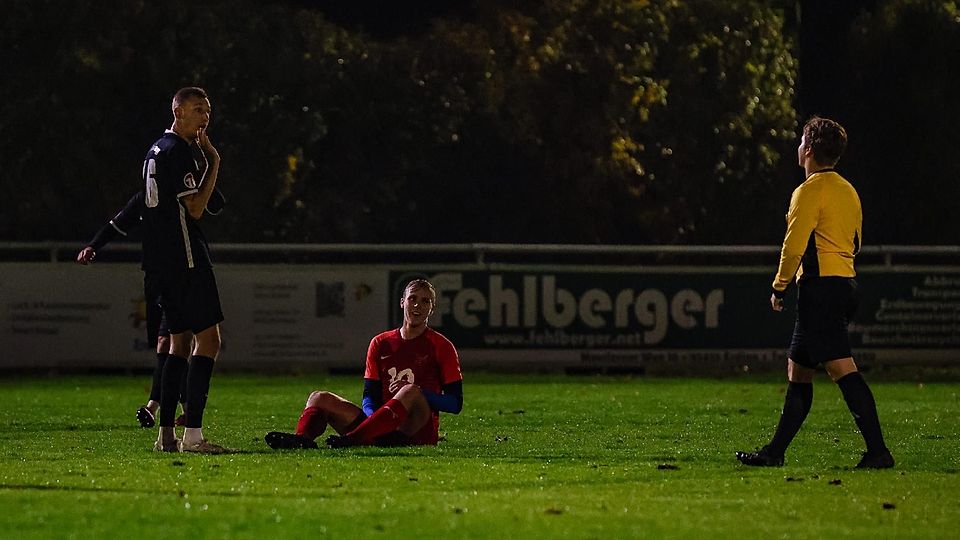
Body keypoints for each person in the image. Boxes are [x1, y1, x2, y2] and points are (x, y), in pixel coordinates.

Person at [736, 116, 894, 469]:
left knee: (842, 369)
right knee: (799, 370)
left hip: (820, 291)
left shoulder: (808, 192)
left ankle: (879, 451)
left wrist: (779, 285)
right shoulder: (848, 190)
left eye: (800, 141)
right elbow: (855, 241)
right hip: (844, 284)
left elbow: (793, 246)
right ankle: (774, 452)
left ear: (808, 149)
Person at [77, 186, 222, 428]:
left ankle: (160, 410)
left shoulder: (182, 193)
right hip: (160, 279)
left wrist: (205, 175)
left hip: (186, 273)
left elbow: (215, 204)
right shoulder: (145, 199)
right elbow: (117, 223)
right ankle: (173, 422)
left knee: (178, 345)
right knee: (170, 346)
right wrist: (94, 245)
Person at [264, 279, 463, 450]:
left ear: (432, 308)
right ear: (402, 302)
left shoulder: (442, 346)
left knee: (410, 391)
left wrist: (420, 392)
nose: (417, 305)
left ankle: (355, 438)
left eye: (425, 301)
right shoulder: (380, 343)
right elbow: (369, 395)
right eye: (413, 298)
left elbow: (455, 404)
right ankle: (302, 440)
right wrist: (373, 420)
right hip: (379, 427)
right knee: (319, 397)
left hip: (416, 430)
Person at [141, 86, 227, 454]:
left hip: (162, 262)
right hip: (187, 260)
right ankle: (193, 434)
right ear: (177, 110)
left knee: (177, 343)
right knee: (208, 340)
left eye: (207, 111)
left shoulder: (154, 150)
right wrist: (213, 162)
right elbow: (195, 209)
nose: (204, 117)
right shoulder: (179, 152)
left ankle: (167, 437)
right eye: (196, 110)